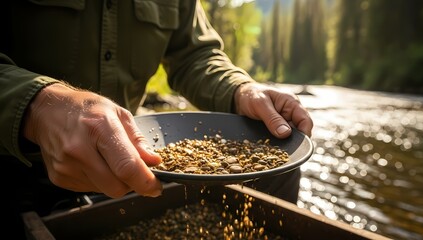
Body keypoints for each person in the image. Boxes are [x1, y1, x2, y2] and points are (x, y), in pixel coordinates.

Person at [0, 0, 313, 238]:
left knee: (281, 167)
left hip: (127, 161)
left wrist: (240, 89)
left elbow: (193, 54)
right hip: (17, 166)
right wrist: (36, 106)